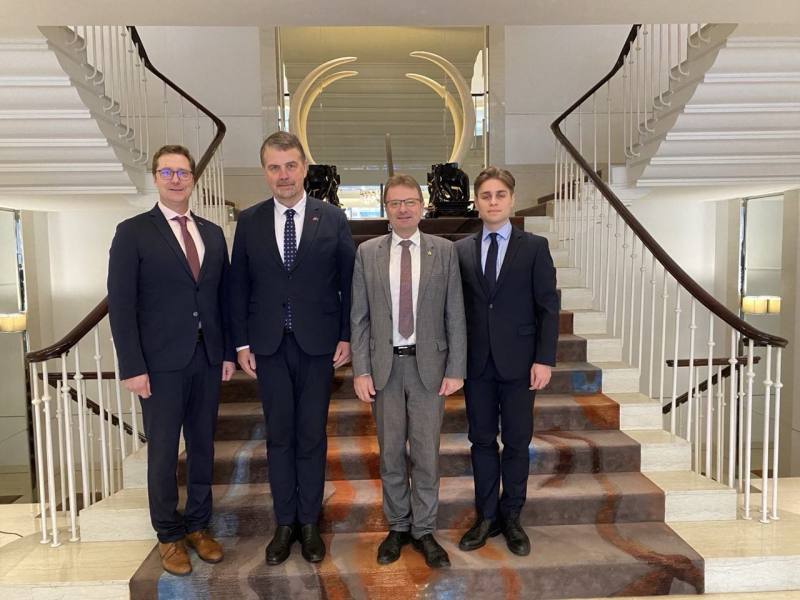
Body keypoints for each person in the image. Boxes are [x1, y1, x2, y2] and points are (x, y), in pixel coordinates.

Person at [107, 145, 236, 576]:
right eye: (168, 171)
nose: (176, 178)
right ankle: (168, 535)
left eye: (183, 172)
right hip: (159, 364)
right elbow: (122, 306)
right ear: (156, 177)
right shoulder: (133, 232)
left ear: (193, 179)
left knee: (202, 447)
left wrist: (226, 351)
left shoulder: (213, 233)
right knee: (163, 453)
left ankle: (199, 526)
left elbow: (222, 299)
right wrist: (132, 366)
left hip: (206, 358)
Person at [229, 131, 355, 565]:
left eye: (290, 166)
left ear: (304, 167)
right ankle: (284, 524)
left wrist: (347, 334)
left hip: (318, 346)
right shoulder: (248, 221)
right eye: (273, 167)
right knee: (279, 436)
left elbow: (348, 282)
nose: (283, 175)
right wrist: (242, 341)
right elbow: (238, 286)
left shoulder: (333, 217)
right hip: (267, 346)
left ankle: (309, 523)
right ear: (264, 171)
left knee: (311, 437)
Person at [351, 174, 467, 568]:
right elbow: (360, 317)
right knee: (390, 454)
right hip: (384, 368)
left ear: (422, 205)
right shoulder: (367, 252)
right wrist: (360, 370)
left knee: (426, 454)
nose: (403, 209)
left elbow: (456, 313)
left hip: (429, 369)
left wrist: (456, 367)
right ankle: (398, 526)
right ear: (386, 210)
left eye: (410, 202)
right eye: (395, 203)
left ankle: (425, 529)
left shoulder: (444, 251)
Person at [455, 166, 559, 556]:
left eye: (500, 195)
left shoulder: (534, 247)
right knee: (481, 441)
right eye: (486, 195)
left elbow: (547, 306)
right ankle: (486, 516)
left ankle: (512, 516)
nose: (493, 202)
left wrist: (544, 359)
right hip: (477, 364)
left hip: (520, 363)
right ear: (477, 202)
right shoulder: (461, 249)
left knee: (516, 442)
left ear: (511, 200)